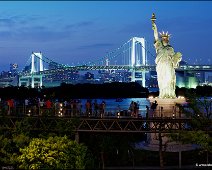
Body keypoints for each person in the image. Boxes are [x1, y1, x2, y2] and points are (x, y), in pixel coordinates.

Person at [151, 13, 182, 99]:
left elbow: (174, 58)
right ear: (161, 40)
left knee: (169, 79)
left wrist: (178, 57)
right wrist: (154, 25)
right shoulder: (159, 46)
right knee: (162, 80)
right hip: (161, 66)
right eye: (163, 39)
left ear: (168, 39)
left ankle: (170, 94)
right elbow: (156, 37)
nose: (165, 40)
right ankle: (163, 94)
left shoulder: (170, 48)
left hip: (168, 65)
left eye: (166, 39)